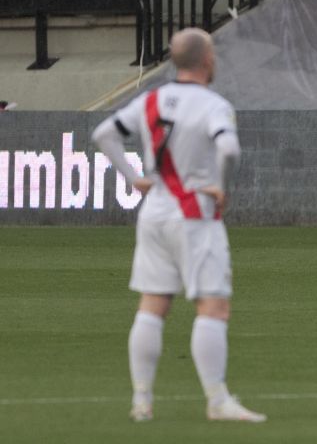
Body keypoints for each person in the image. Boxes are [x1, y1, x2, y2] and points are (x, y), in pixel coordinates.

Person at [91, 28, 266, 423]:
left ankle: (141, 401)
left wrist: (133, 177)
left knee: (153, 305)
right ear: (206, 60)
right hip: (194, 214)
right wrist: (220, 187)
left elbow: (103, 135)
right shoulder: (213, 105)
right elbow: (230, 149)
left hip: (154, 212)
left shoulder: (150, 100)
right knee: (213, 306)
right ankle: (217, 400)